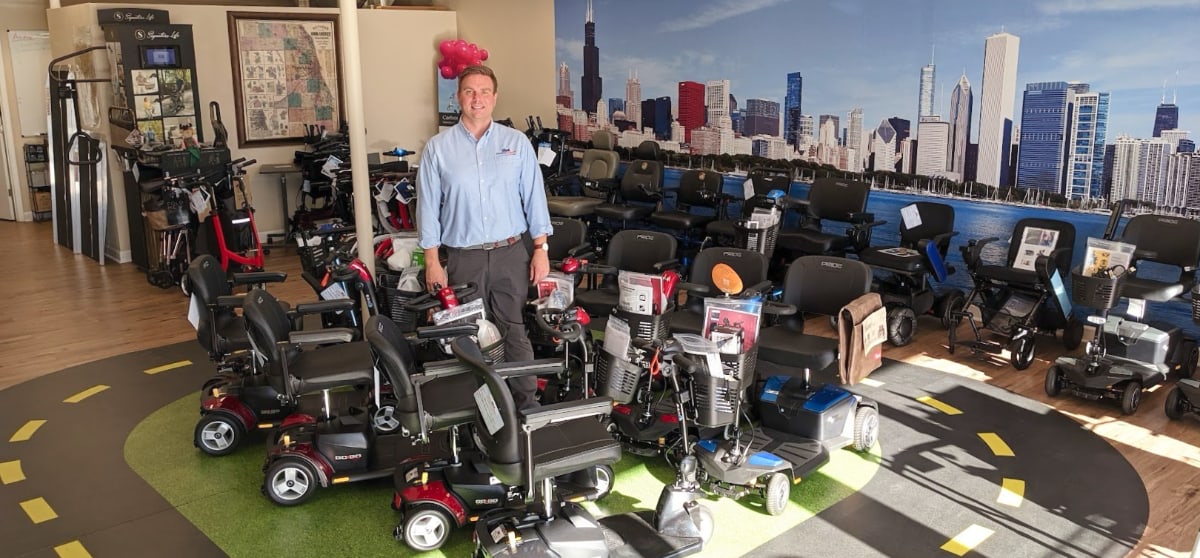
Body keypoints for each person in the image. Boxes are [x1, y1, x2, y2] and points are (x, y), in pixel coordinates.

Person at [416, 65, 552, 410]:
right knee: (468, 334)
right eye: (469, 92)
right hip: (464, 256)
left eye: (484, 92)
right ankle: (480, 406)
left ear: (495, 97)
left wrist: (541, 249)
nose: (477, 99)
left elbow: (534, 199)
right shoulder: (438, 148)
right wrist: (432, 262)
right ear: (458, 96)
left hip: (510, 254)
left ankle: (525, 406)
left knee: (513, 330)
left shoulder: (516, 143)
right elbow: (428, 209)